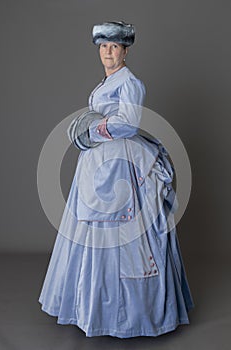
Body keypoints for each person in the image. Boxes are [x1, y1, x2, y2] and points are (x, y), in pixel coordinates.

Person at [38, 21, 194, 338]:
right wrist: (93, 127)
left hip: (122, 162)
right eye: (103, 47)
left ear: (125, 50)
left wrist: (91, 129)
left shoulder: (131, 83)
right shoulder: (108, 81)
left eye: (114, 47)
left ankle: (132, 314)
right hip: (100, 160)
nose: (108, 52)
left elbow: (128, 124)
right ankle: (95, 306)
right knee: (91, 230)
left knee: (128, 229)